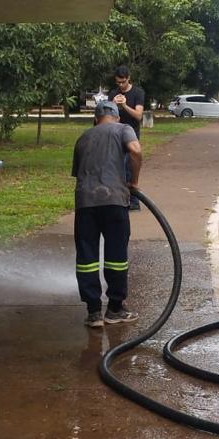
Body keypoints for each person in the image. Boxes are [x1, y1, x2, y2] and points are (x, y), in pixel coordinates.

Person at [71, 100, 143, 328]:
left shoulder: (83, 137)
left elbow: (79, 173)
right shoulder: (124, 129)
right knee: (116, 256)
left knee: (87, 257)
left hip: (85, 202)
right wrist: (134, 182)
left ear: (96, 119)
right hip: (114, 200)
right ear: (117, 117)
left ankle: (93, 313)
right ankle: (115, 309)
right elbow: (135, 150)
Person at [108, 65, 146, 211]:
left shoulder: (137, 93)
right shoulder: (113, 94)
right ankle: (119, 200)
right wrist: (113, 104)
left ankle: (134, 201)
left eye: (123, 82)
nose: (120, 85)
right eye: (118, 82)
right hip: (116, 135)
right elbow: (108, 116)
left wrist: (124, 105)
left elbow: (138, 115)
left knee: (130, 168)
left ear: (128, 78)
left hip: (131, 135)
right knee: (116, 168)